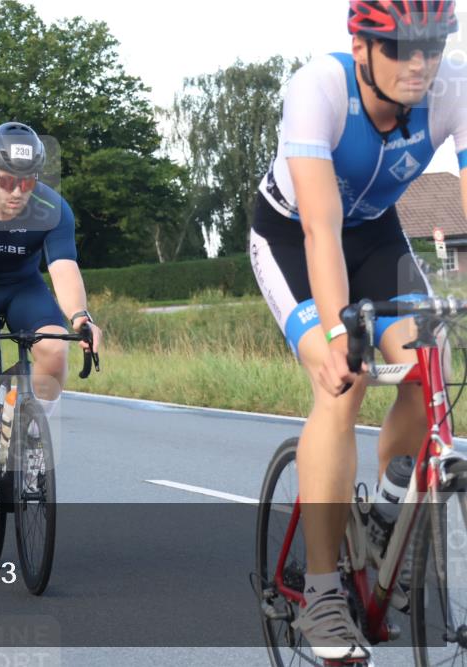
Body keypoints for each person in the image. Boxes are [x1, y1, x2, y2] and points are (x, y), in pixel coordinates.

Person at [249, 2, 466, 661]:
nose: (419, 63)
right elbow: (319, 228)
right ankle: (320, 593)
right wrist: (342, 337)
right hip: (294, 233)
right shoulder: (318, 89)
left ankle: (386, 512)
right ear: (361, 45)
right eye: (400, 47)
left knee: (431, 357)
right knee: (345, 381)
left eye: (431, 46)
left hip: (374, 235)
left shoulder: (452, 90)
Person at [0, 121, 102, 534]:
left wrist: (81, 317)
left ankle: (31, 451)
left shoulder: (52, 208)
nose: (16, 192)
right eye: (7, 180)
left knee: (54, 349)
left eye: (26, 183)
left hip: (25, 288)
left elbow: (63, 268)